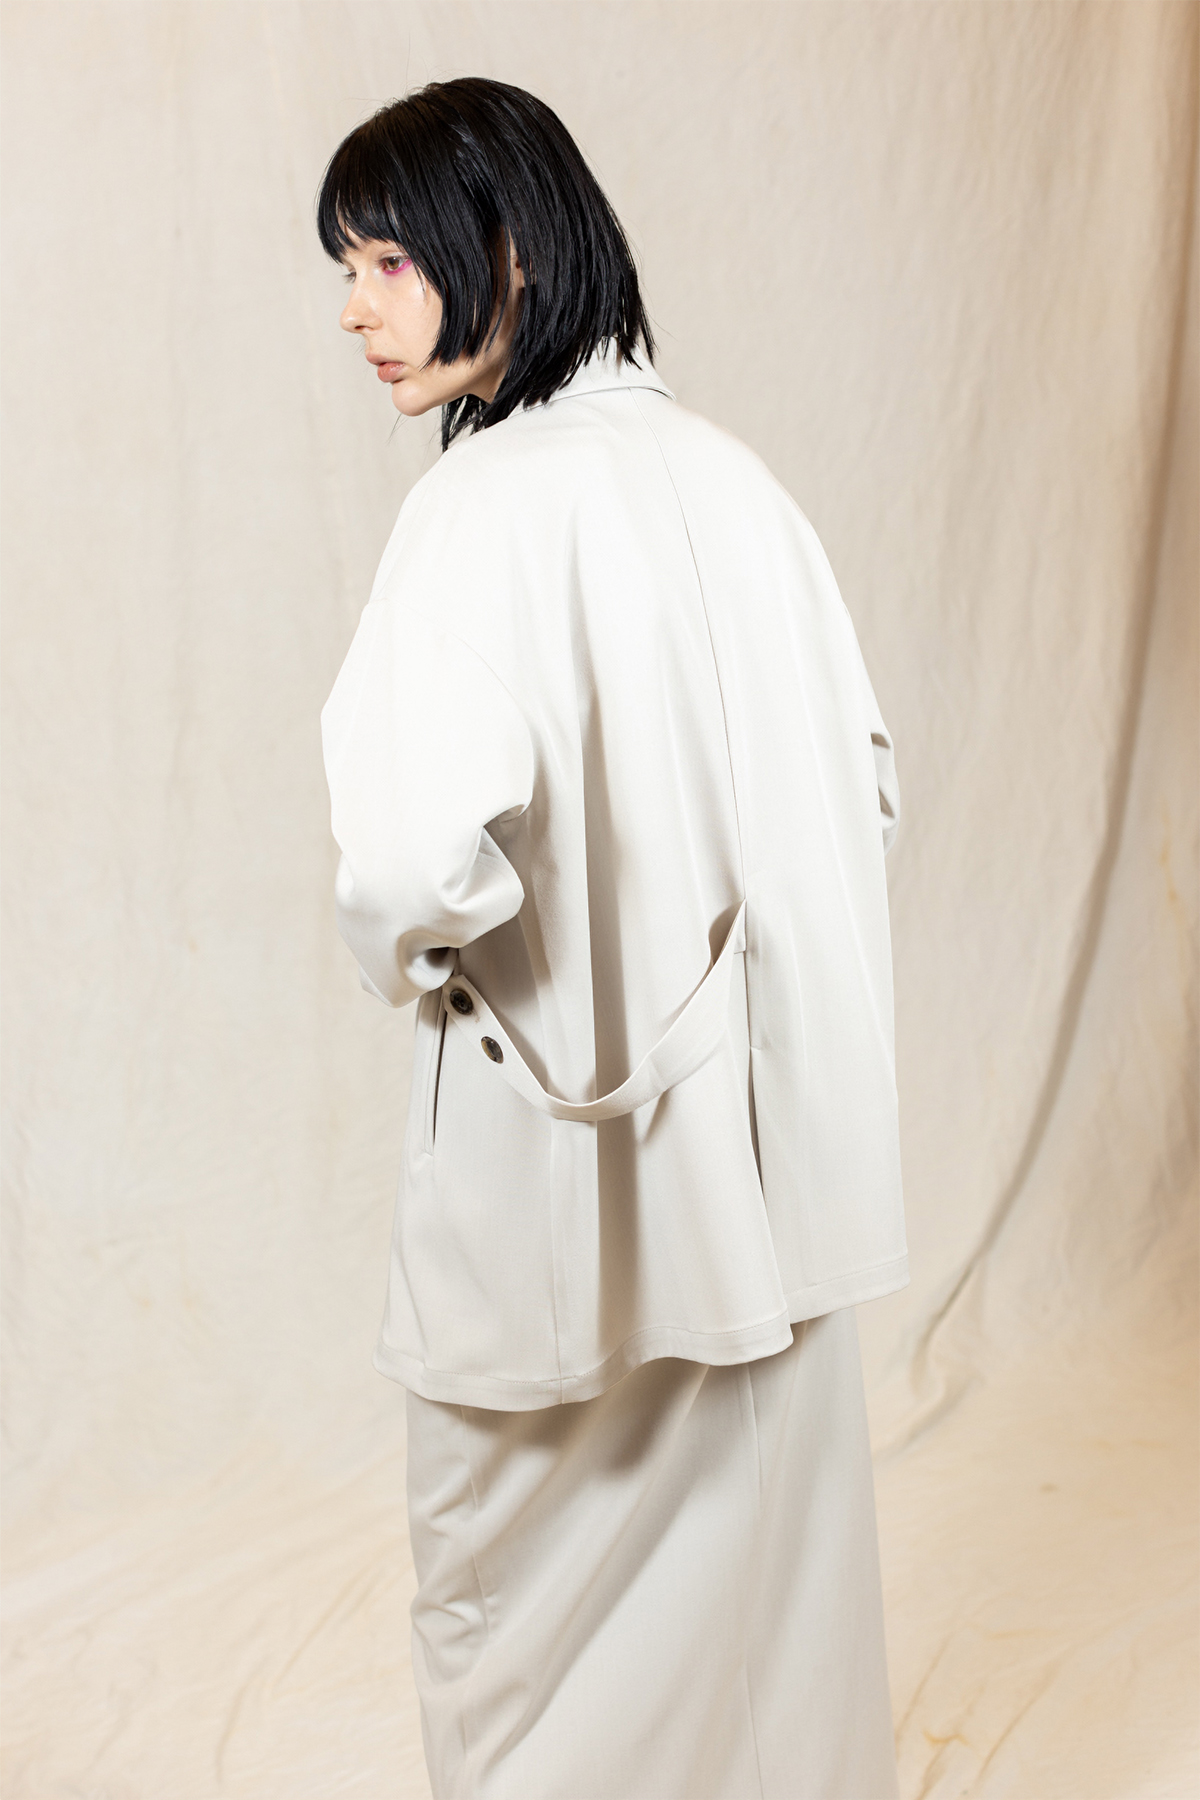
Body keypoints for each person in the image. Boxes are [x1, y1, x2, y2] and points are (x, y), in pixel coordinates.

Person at [318, 76, 906, 1800]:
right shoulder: (742, 484)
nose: (354, 307)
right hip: (770, 1187)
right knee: (776, 1621)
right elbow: (868, 795)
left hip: (560, 1176)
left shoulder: (482, 505)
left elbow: (409, 860)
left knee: (506, 1621)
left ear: (506, 246)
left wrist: (427, 963)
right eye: (345, 267)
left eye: (386, 260)